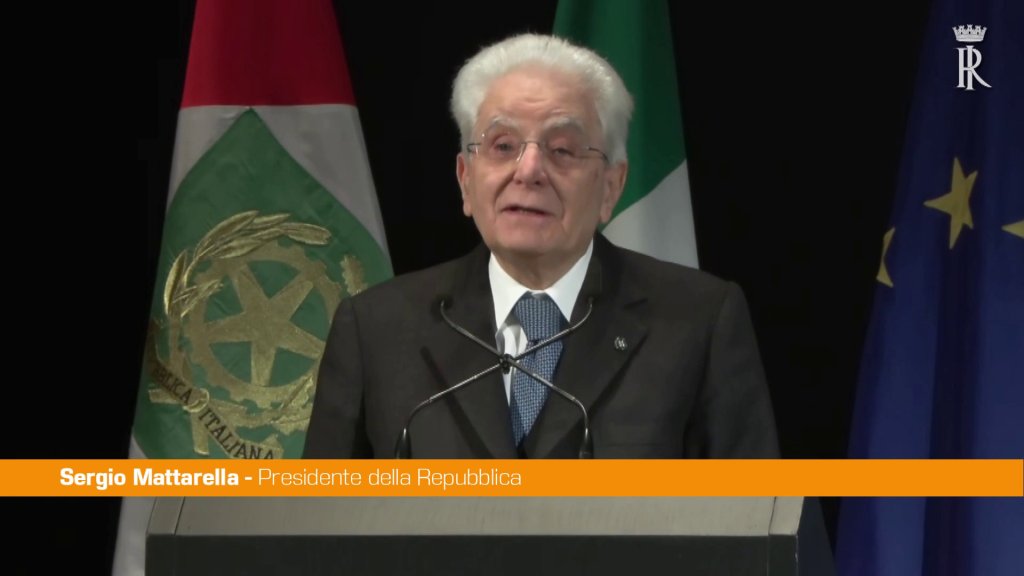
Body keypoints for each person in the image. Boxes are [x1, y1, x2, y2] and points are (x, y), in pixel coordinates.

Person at [304, 33, 779, 459]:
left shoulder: (699, 322)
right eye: (502, 146)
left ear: (611, 187)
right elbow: (315, 522)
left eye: (563, 149)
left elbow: (755, 520)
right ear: (465, 179)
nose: (528, 170)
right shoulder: (376, 329)